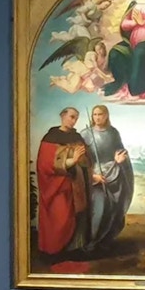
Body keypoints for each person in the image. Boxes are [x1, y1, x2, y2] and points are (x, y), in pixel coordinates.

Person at [35, 107, 90, 255]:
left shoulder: (77, 137)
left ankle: (74, 249)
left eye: (76, 118)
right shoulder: (50, 138)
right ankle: (54, 252)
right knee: (60, 217)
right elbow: (46, 164)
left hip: (76, 185)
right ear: (62, 116)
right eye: (71, 117)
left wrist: (84, 160)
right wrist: (73, 160)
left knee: (77, 215)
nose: (74, 121)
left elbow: (86, 161)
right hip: (58, 186)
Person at [78, 105, 133, 252]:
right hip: (95, 177)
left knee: (113, 208)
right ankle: (91, 242)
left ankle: (105, 239)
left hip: (113, 174)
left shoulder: (113, 133)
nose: (97, 117)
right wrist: (92, 176)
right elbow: (82, 160)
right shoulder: (85, 134)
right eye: (95, 114)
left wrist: (120, 157)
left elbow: (121, 150)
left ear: (106, 115)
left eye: (100, 114)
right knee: (99, 208)